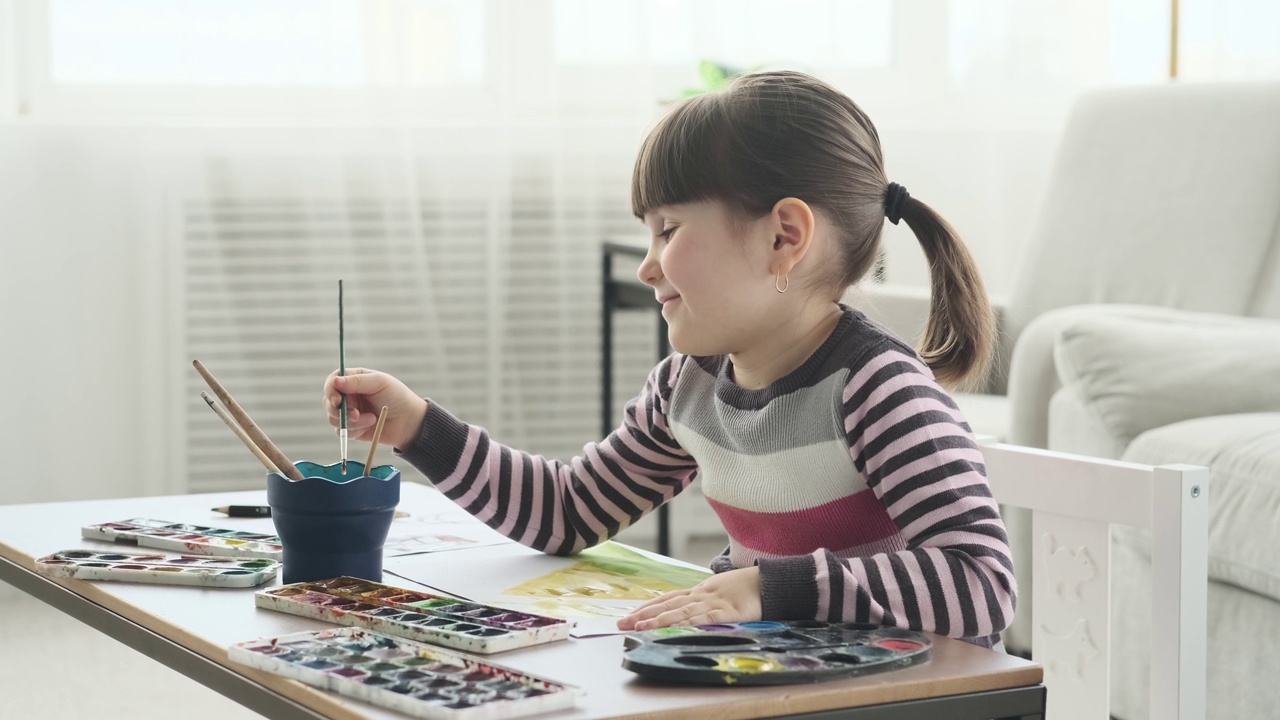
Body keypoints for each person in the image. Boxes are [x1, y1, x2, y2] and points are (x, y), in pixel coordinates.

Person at [323, 71, 1015, 648]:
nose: (649, 267)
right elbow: (567, 513)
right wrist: (414, 424)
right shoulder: (689, 387)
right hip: (778, 674)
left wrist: (767, 587)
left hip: (899, 691)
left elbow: (984, 586)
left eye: (669, 229)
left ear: (785, 236)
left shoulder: (878, 390)